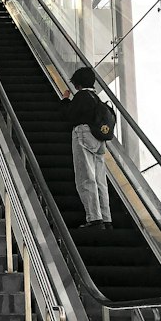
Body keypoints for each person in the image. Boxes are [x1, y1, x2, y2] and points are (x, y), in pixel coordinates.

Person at [61, 66, 112, 232]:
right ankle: (106, 218)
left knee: (85, 177)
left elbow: (69, 116)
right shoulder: (96, 98)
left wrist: (65, 100)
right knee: (99, 180)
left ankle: (94, 219)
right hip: (98, 139)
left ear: (78, 84)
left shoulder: (82, 96)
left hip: (83, 135)